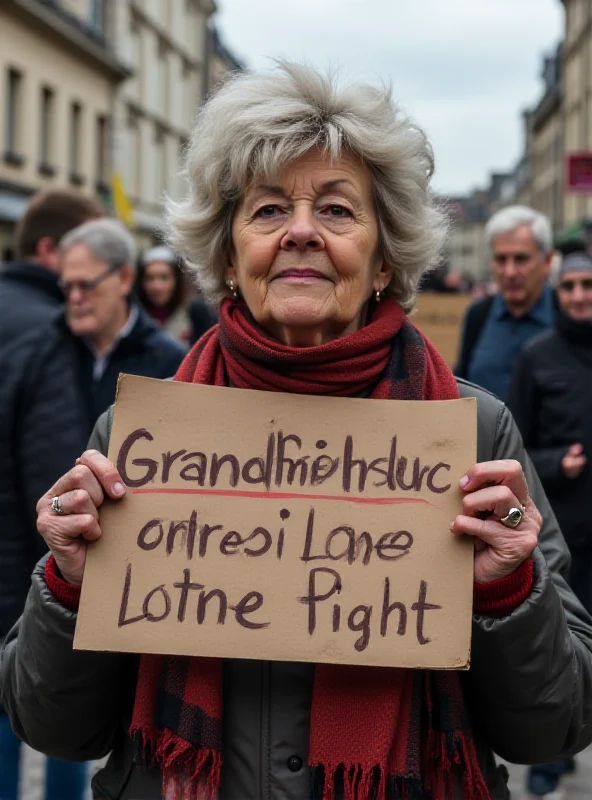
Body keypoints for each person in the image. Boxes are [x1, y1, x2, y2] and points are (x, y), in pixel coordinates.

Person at [2, 63, 592, 800]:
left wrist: (508, 594)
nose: (303, 232)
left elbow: (554, 729)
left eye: (339, 212)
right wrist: (69, 585)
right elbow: (52, 729)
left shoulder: (474, 434)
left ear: (384, 259)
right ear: (227, 253)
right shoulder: (136, 437)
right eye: (270, 210)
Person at [0, 189, 103, 800]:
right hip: (22, 575)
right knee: (51, 720)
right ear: (50, 251)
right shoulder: (50, 332)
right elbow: (58, 485)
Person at [508, 247, 592, 799]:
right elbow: (512, 455)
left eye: (589, 286)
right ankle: (547, 769)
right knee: (564, 656)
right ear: (555, 292)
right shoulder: (537, 357)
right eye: (570, 287)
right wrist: (554, 463)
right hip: (563, 541)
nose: (580, 296)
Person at [58, 219, 187, 436]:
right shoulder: (51, 347)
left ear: (125, 278)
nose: (75, 297)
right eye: (67, 286)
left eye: (86, 285)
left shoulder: (169, 360)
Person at [455, 206, 555, 401]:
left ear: (547, 261)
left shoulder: (565, 314)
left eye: (521, 259)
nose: (510, 272)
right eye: (501, 259)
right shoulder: (478, 315)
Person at [135, 245, 191, 343]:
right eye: (150, 278)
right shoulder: (132, 319)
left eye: (164, 277)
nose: (157, 287)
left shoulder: (191, 318)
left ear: (176, 280)